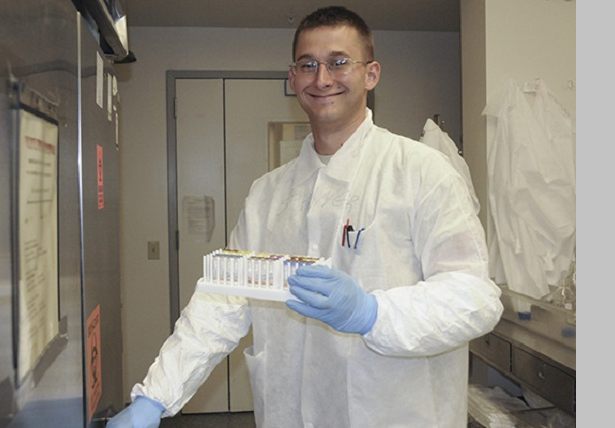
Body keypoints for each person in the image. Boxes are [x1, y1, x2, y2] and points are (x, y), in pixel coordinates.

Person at [108, 5, 504, 427]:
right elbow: (221, 303)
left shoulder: (421, 173)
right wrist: (154, 397)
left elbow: (475, 299)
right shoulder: (267, 195)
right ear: (292, 77)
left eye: (339, 62)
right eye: (308, 65)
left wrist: (372, 313)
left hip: (395, 412)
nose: (323, 78)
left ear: (371, 74)